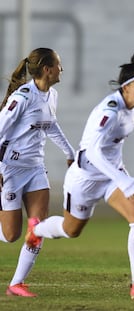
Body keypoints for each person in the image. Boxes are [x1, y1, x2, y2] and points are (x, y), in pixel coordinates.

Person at [25, 51, 134, 300]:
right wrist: (123, 180)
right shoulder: (109, 110)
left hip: (110, 176)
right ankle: (37, 230)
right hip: (85, 178)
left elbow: (132, 118)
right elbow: (92, 152)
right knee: (71, 230)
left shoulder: (127, 105)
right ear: (125, 88)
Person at [0, 48, 75, 297]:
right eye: (59, 65)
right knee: (11, 235)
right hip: (10, 169)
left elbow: (51, 126)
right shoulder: (22, 98)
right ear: (47, 69)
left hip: (35, 170)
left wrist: (70, 152)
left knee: (37, 227)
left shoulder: (52, 95)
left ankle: (17, 283)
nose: (61, 69)